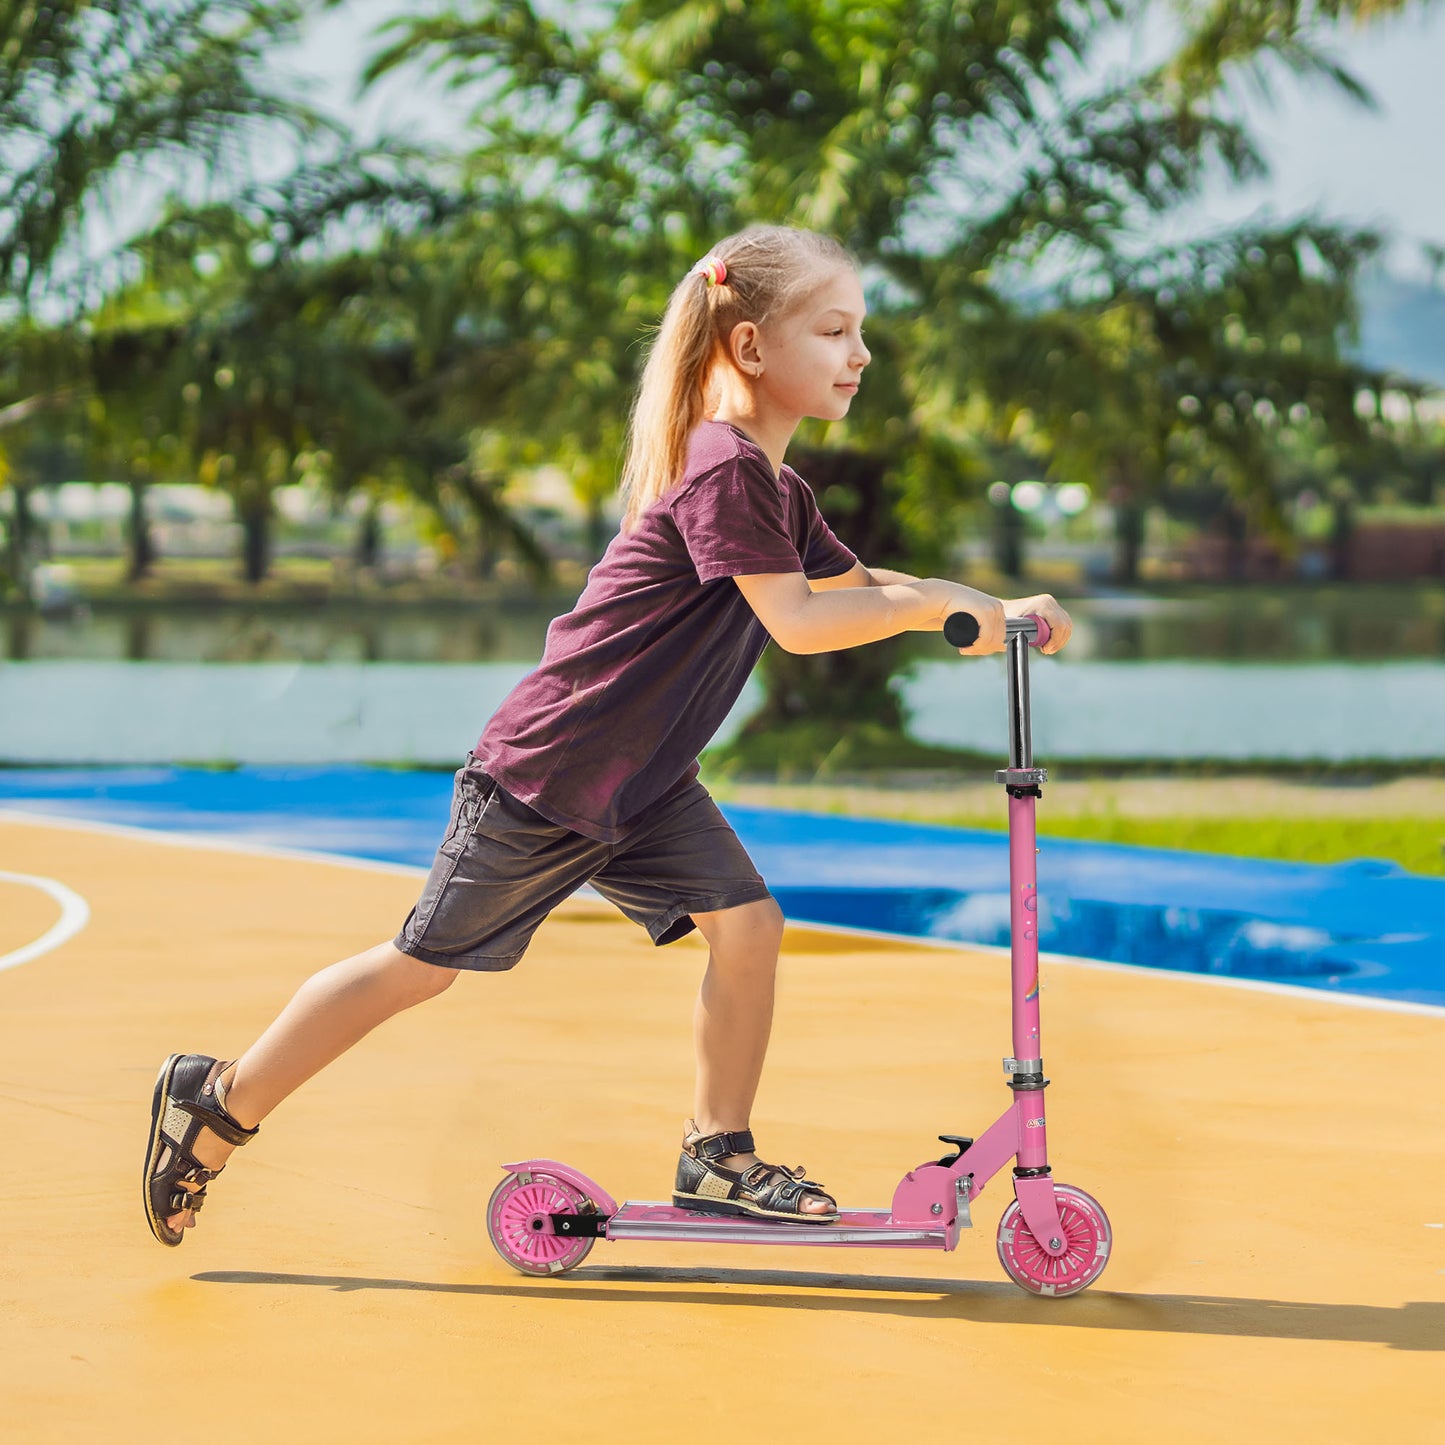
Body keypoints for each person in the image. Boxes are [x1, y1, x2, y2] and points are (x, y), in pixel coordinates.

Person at [142, 224, 1072, 1245]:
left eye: (861, 333)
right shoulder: (722, 465)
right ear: (752, 347)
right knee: (420, 964)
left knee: (748, 925)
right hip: (551, 770)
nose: (859, 356)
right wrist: (934, 603)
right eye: (835, 331)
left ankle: (715, 1152)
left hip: (643, 782)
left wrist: (987, 607)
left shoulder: (777, 486)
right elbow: (803, 623)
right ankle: (216, 1099)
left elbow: (861, 588)